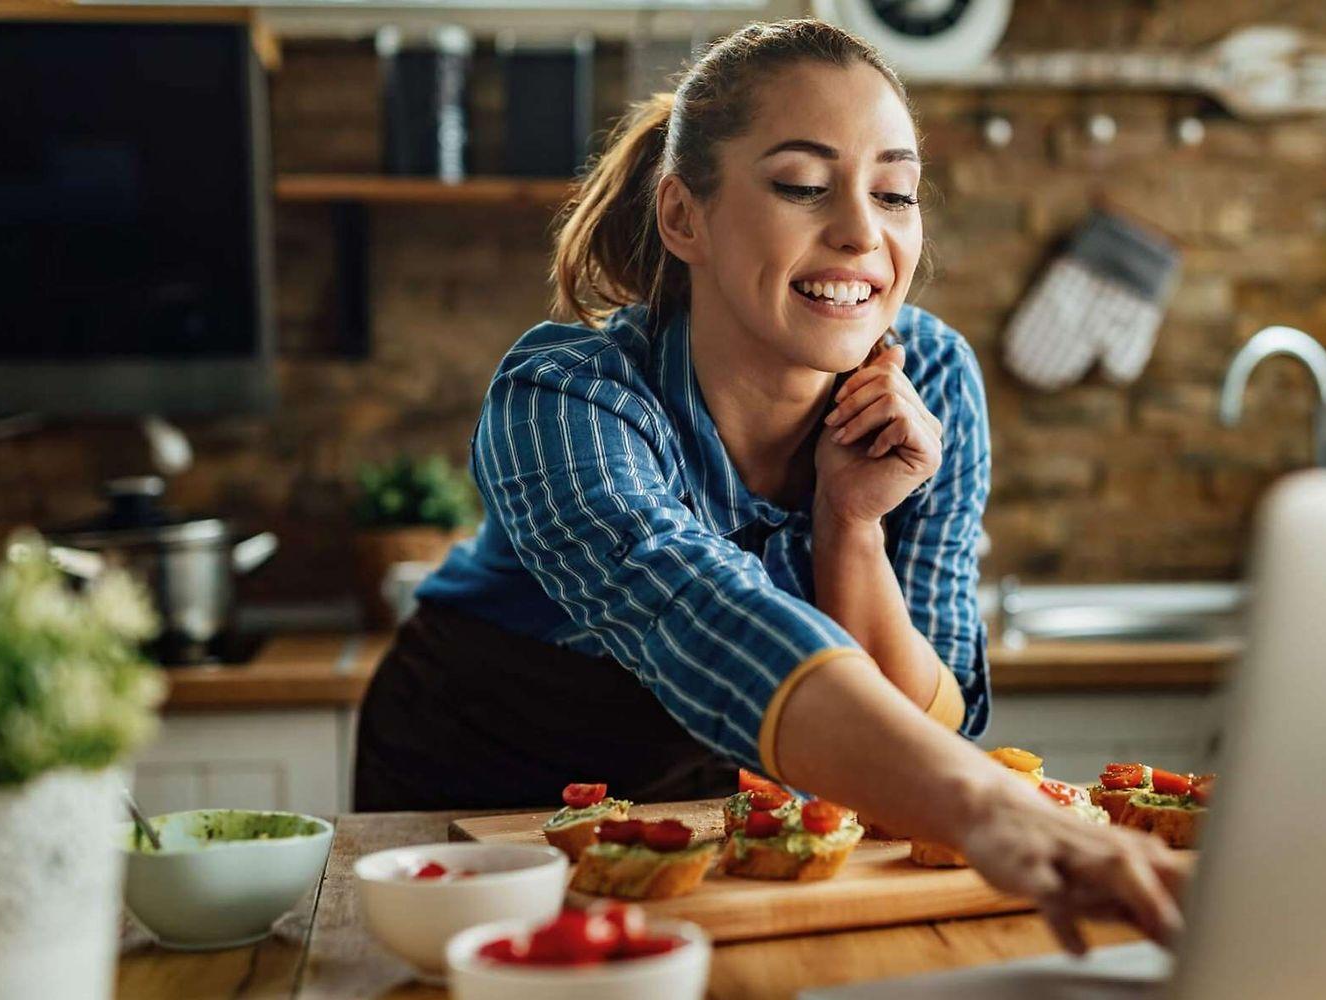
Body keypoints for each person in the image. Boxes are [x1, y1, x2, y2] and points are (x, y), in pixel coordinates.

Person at [354, 17, 1190, 952]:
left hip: (734, 784)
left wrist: (851, 527)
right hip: (478, 781)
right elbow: (699, 616)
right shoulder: (565, 397)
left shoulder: (936, 379)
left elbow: (939, 708)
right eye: (801, 185)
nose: (860, 234)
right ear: (684, 217)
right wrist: (986, 805)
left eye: (896, 193)